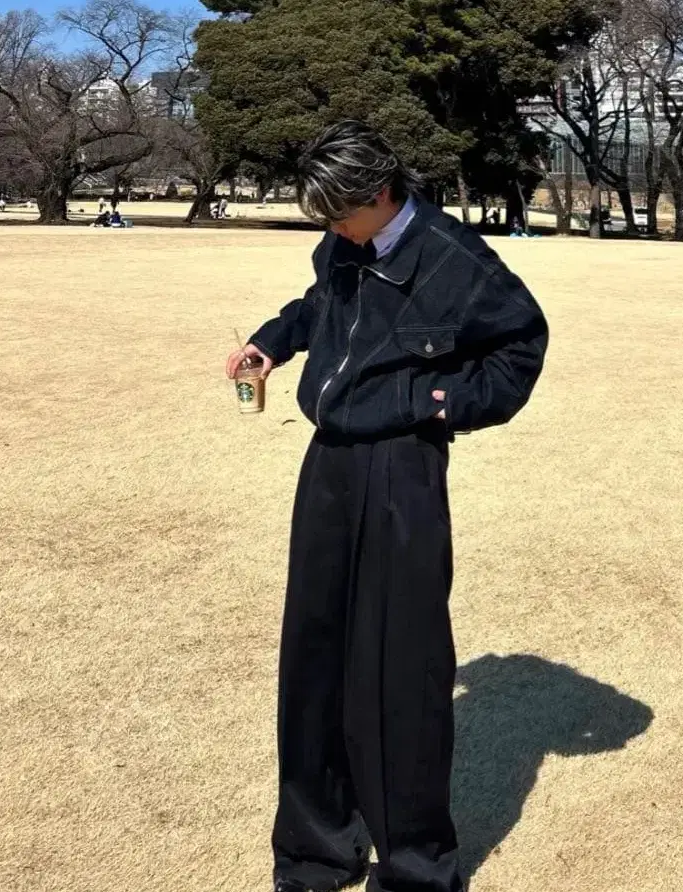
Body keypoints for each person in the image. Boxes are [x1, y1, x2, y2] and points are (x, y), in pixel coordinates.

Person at [225, 120, 548, 892]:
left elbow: (521, 346)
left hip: (403, 467)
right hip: (329, 461)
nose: (334, 230)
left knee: (400, 666)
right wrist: (272, 342)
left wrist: (438, 402)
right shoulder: (345, 241)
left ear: (380, 191)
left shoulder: (454, 256)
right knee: (314, 657)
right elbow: (320, 305)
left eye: (341, 215)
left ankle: (414, 870)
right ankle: (315, 851)